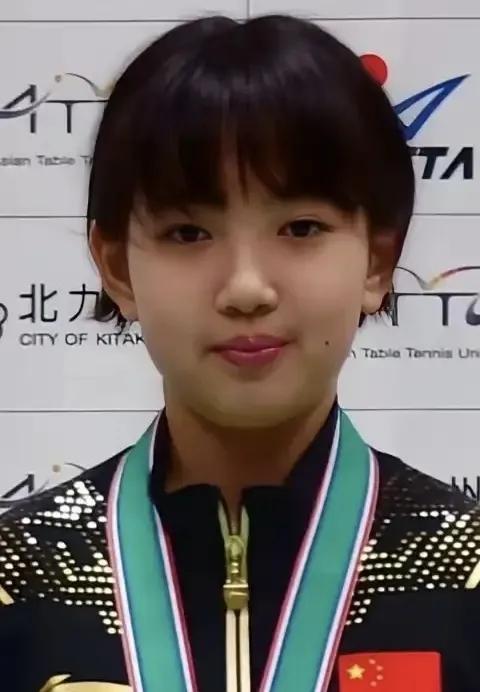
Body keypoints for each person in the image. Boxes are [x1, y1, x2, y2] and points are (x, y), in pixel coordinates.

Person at [1, 14, 479, 692]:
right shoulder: (20, 574)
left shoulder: (463, 568)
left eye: (301, 228)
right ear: (116, 268)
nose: (247, 288)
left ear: (377, 261)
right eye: (188, 233)